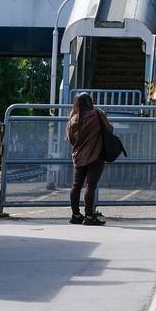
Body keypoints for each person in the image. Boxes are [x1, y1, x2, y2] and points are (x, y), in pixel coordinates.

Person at [66, 93, 112, 225]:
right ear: (90, 102)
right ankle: (89, 217)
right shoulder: (97, 115)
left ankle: (75, 215)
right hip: (95, 155)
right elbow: (109, 129)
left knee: (76, 186)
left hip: (79, 156)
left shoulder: (73, 119)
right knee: (90, 186)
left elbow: (70, 139)